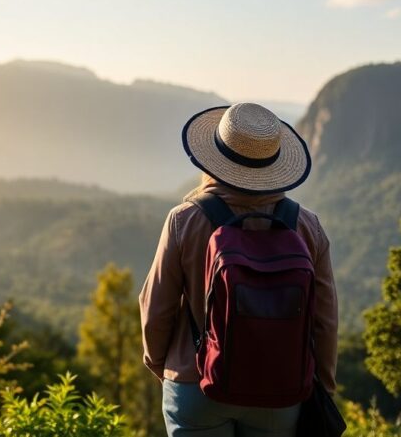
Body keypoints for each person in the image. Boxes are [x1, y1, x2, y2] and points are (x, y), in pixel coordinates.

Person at [139, 103, 338, 437]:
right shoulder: (307, 226)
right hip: (280, 389)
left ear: (215, 158)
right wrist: (324, 386)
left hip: (194, 383)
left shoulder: (183, 220)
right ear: (275, 163)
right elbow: (325, 320)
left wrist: (166, 368)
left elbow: (155, 309)